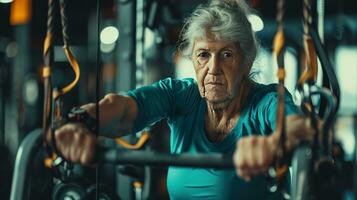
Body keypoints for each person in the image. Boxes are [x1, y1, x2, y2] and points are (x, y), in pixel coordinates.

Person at [54, 0, 312, 199]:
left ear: (246, 62)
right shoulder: (182, 95)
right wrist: (82, 121)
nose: (213, 68)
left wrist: (273, 144)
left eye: (226, 55)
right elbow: (122, 110)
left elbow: (297, 128)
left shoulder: (265, 101)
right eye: (203, 55)